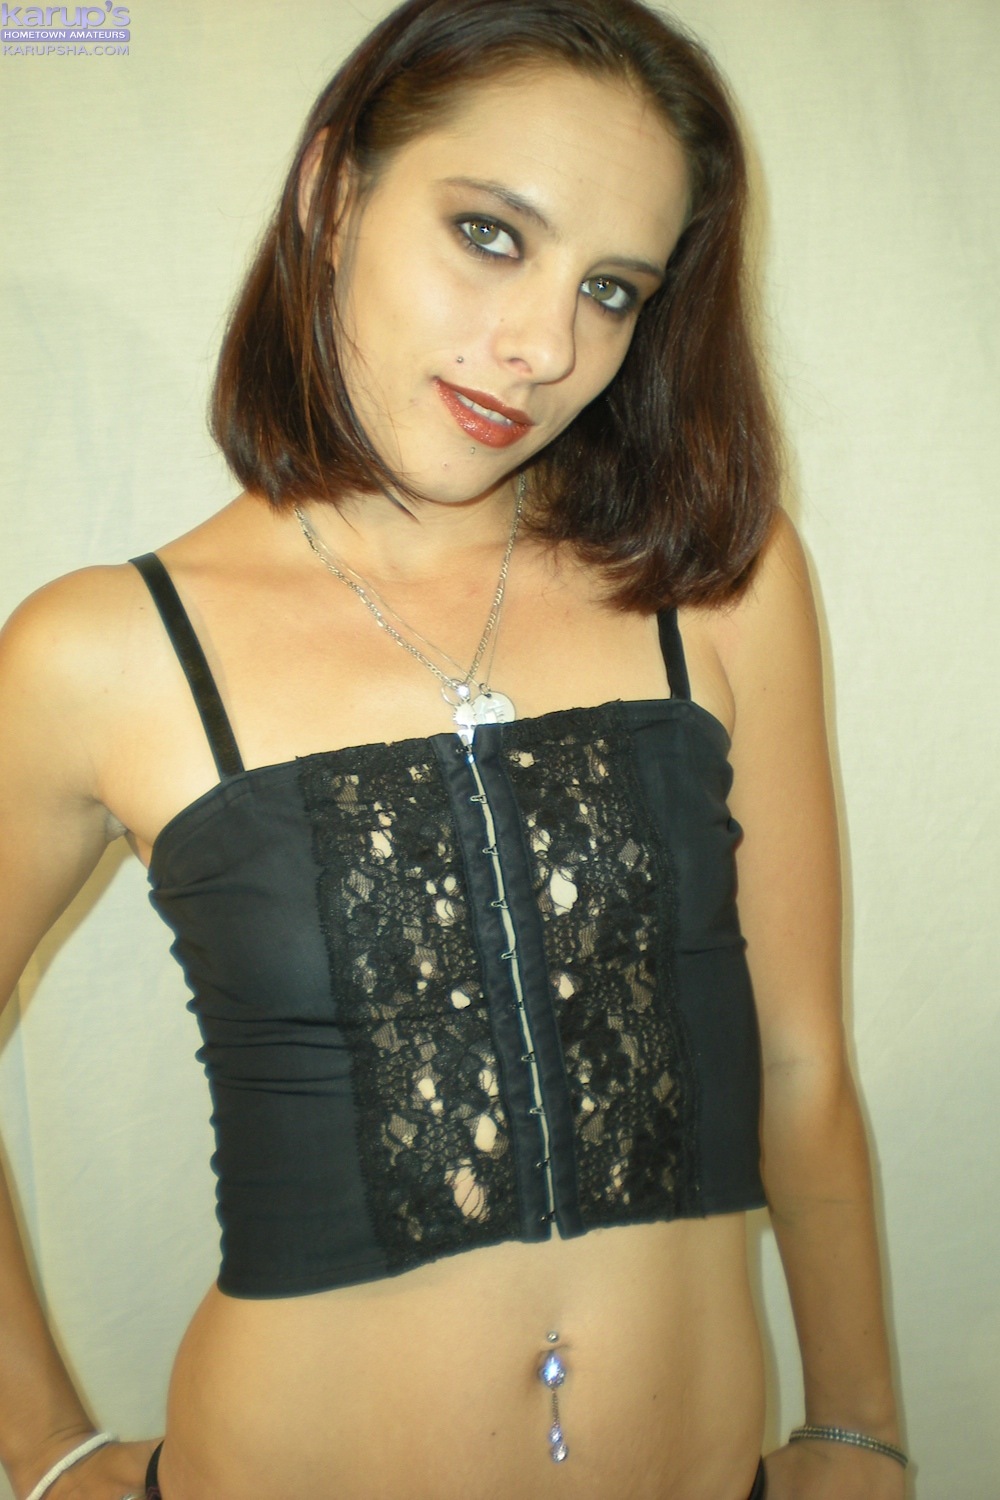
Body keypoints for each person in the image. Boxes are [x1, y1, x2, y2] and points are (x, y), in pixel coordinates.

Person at [0, 1, 907, 1497]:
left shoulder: (716, 584)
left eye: (611, 290)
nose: (545, 345)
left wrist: (857, 1426)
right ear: (332, 194)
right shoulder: (104, 651)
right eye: (491, 235)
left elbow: (799, 1056)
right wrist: (43, 1450)